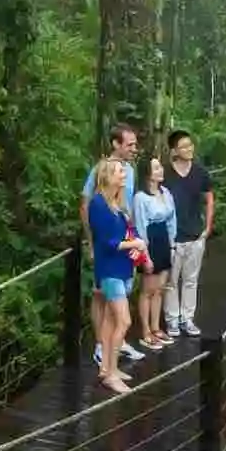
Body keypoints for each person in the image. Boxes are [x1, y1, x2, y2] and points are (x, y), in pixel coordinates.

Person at [80, 122, 145, 364]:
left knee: (120, 296)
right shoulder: (101, 170)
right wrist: (92, 243)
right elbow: (86, 205)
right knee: (101, 294)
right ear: (116, 144)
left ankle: (117, 343)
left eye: (135, 144)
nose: (134, 149)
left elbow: (125, 205)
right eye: (129, 144)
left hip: (124, 239)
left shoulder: (130, 170)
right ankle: (100, 345)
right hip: (106, 243)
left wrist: (134, 238)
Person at [85, 158, 146, 394]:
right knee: (124, 321)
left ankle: (108, 368)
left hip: (122, 268)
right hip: (109, 270)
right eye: (120, 172)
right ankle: (110, 374)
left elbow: (126, 232)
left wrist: (138, 246)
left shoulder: (117, 204)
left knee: (111, 321)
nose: (124, 176)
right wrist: (133, 243)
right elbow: (106, 242)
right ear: (108, 175)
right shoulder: (98, 204)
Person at [161, 130, 214, 337]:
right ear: (174, 150)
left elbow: (209, 198)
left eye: (190, 145)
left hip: (195, 234)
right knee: (171, 281)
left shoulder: (200, 172)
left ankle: (188, 318)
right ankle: (172, 320)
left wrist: (207, 227)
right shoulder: (165, 173)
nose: (188, 149)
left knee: (191, 279)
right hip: (173, 236)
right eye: (183, 146)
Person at [132, 156, 177, 351]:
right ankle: (145, 331)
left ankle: (156, 327)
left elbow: (172, 218)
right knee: (148, 290)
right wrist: (145, 255)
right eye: (156, 168)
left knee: (160, 289)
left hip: (164, 239)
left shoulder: (165, 192)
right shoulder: (140, 198)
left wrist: (172, 244)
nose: (161, 170)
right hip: (149, 240)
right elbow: (140, 226)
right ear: (148, 173)